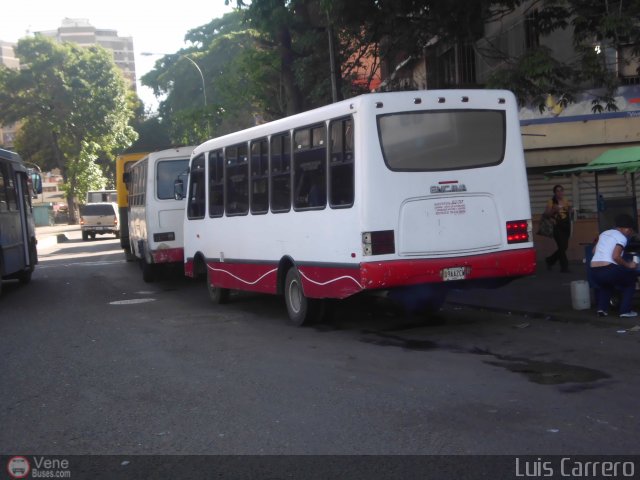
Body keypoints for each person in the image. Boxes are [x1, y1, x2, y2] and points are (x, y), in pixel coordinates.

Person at [590, 213, 638, 318]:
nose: (630, 233)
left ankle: (602, 310)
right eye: (630, 230)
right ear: (626, 229)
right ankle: (625, 311)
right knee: (631, 280)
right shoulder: (621, 237)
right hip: (609, 270)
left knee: (606, 285)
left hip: (594, 272)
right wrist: (629, 265)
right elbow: (616, 257)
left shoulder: (604, 233)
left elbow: (594, 251)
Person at [544, 184, 572, 272]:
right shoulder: (551, 202)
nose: (560, 192)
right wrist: (554, 210)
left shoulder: (565, 200)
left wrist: (570, 210)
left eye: (561, 190)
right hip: (556, 226)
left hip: (565, 225)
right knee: (561, 246)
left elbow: (568, 211)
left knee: (564, 247)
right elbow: (547, 214)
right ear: (555, 193)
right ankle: (564, 267)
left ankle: (550, 260)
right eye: (557, 191)